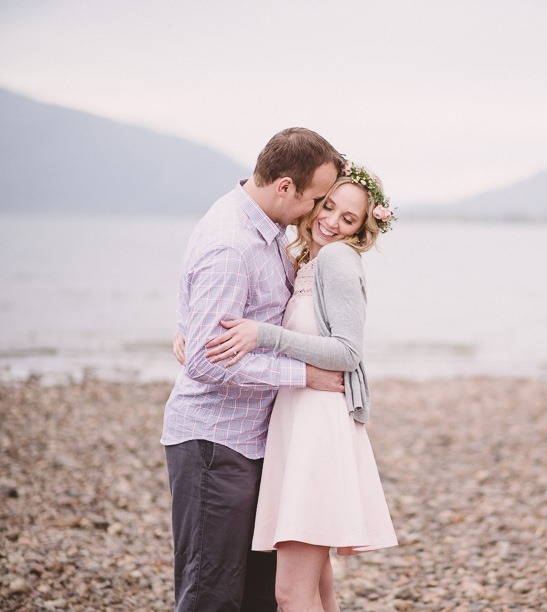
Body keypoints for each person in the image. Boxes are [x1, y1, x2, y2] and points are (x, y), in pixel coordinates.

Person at [161, 127, 345, 612]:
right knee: (211, 594)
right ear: (284, 187)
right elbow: (203, 361)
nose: (317, 211)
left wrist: (185, 328)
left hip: (255, 439)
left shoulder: (267, 232)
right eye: (316, 199)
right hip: (214, 444)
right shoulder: (233, 244)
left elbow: (203, 317)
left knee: (257, 596)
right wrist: (303, 376)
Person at [200, 161, 398, 610]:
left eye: (347, 219)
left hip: (317, 433)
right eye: (328, 206)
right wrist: (190, 332)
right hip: (299, 425)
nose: (331, 221)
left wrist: (262, 334)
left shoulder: (337, 260)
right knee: (320, 586)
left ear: (361, 229)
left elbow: (348, 352)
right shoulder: (308, 261)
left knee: (290, 594)